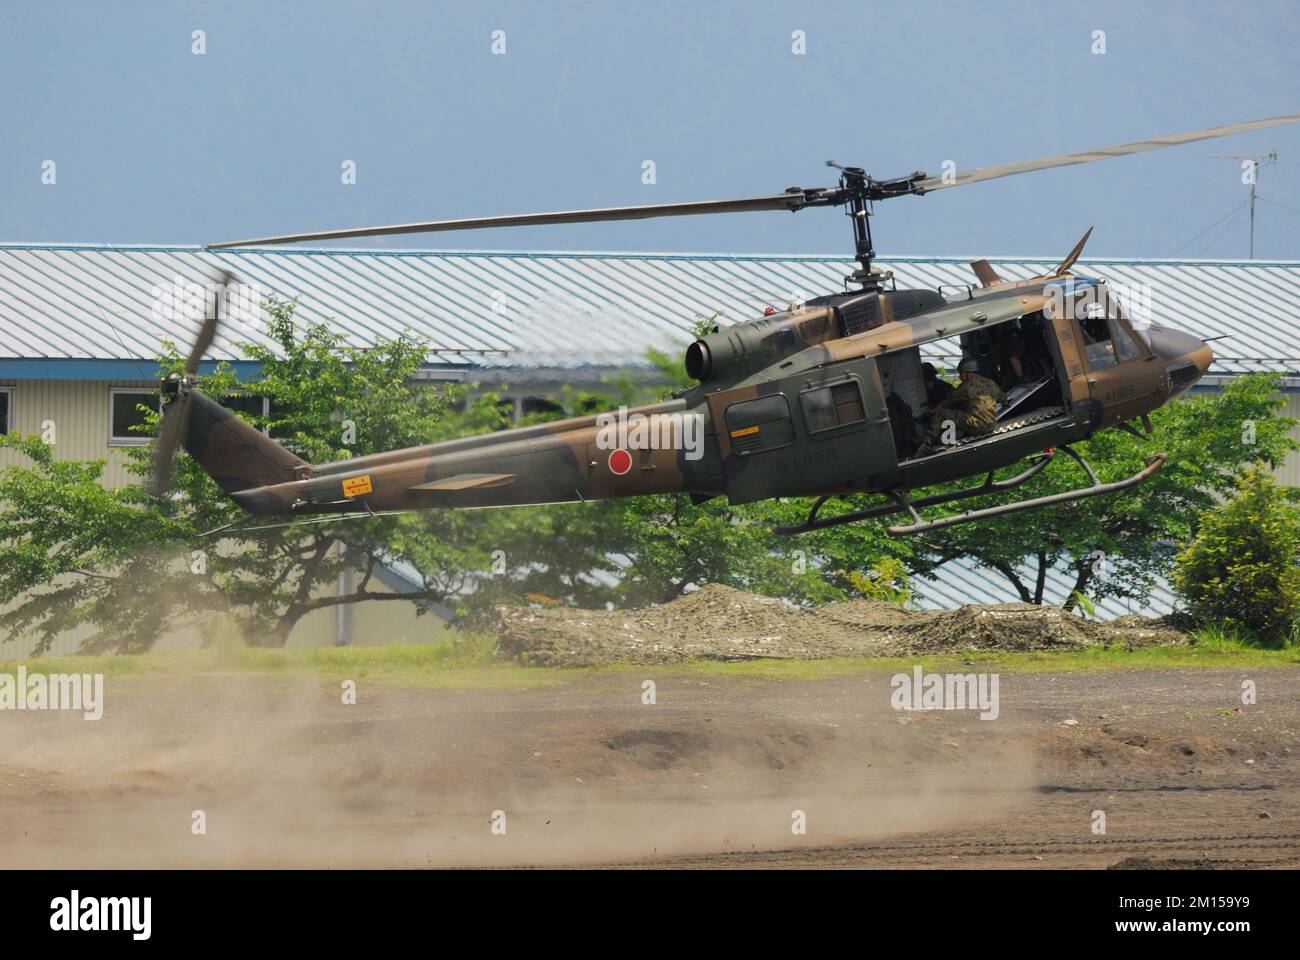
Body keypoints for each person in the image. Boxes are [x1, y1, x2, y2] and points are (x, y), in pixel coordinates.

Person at [926, 356, 1005, 446]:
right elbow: (1003, 398)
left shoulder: (965, 387)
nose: (959, 377)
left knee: (939, 414)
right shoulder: (990, 383)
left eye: (961, 373)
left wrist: (932, 411)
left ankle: (927, 445)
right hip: (991, 426)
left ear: (968, 373)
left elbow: (947, 402)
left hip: (975, 425)